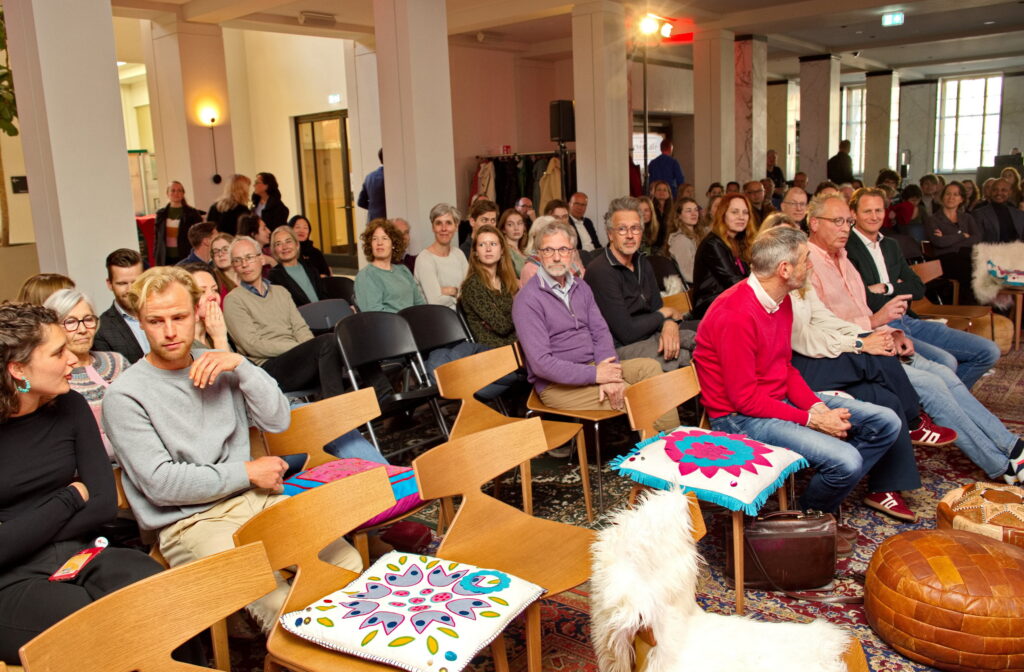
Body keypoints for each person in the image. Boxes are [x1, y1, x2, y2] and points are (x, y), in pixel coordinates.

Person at [102, 267, 361, 634]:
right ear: (141, 324)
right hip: (191, 522)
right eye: (156, 321)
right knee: (277, 598)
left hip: (254, 499)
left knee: (343, 559)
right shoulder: (125, 395)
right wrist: (247, 472)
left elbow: (277, 420)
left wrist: (241, 366)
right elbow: (161, 484)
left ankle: (355, 649)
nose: (171, 331)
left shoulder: (218, 363)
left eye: (178, 317)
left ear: (197, 313)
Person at [694, 225, 905, 533]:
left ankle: (811, 508)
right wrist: (811, 419)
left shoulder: (783, 299)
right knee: (846, 462)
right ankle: (805, 520)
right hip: (737, 417)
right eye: (806, 259)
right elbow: (745, 400)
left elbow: (785, 367)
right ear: (784, 269)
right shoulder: (735, 313)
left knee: (887, 422)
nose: (811, 265)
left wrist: (816, 407)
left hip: (774, 402)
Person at [0, 302, 177, 664]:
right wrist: (68, 498)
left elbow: (101, 505)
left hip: (79, 553)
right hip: (9, 580)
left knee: (155, 589)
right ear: (19, 370)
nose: (72, 359)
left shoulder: (70, 406)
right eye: (58, 352)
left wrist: (23, 530)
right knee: (92, 620)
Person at [809, 191, 1024, 485]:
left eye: (847, 221)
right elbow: (823, 327)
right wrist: (876, 323)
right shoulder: (809, 265)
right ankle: (1000, 464)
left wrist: (891, 331)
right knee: (933, 384)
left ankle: (1010, 444)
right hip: (851, 355)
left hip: (880, 339)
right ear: (813, 223)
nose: (845, 228)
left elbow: (874, 303)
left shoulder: (843, 258)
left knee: (944, 373)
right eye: (838, 221)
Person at [512, 219, 678, 433]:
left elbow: (600, 332)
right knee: (639, 397)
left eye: (563, 249)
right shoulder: (528, 300)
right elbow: (542, 364)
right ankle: (662, 457)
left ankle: (674, 445)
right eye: (548, 250)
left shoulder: (580, 286)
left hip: (595, 366)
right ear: (539, 254)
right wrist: (597, 376)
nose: (556, 256)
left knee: (651, 368)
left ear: (572, 252)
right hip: (557, 385)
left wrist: (608, 371)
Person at [843, 188, 1000, 389]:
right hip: (882, 326)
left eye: (879, 210)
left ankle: (942, 404)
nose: (874, 217)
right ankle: (941, 406)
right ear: (854, 214)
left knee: (988, 351)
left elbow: (917, 288)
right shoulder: (846, 247)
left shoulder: (890, 245)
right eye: (867, 211)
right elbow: (864, 300)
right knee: (946, 362)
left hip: (909, 319)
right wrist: (897, 290)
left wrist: (887, 287)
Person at [222, 237, 347, 399]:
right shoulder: (234, 300)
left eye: (249, 258)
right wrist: (300, 348)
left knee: (346, 338)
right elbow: (252, 345)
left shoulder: (281, 291)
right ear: (234, 267)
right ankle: (339, 413)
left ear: (261, 258)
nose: (244, 264)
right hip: (268, 368)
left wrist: (307, 348)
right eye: (238, 261)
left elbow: (300, 329)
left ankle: (377, 395)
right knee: (328, 343)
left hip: (297, 360)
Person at [585, 197, 697, 372]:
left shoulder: (642, 262)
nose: (630, 235)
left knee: (705, 340)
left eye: (635, 228)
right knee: (685, 357)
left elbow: (656, 307)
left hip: (650, 332)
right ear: (610, 234)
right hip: (620, 347)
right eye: (622, 229)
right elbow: (627, 332)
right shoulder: (600, 271)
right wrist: (663, 315)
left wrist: (668, 324)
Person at [42, 289, 130, 460]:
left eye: (88, 319)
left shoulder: (117, 362)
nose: (83, 329)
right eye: (71, 322)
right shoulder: (53, 378)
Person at [690, 193, 756, 319]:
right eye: (735, 212)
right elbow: (734, 282)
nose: (741, 217)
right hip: (710, 306)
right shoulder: (713, 243)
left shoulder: (739, 242)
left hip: (731, 302)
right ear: (723, 215)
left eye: (745, 212)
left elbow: (748, 277)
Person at [459, 224, 519, 348]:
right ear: (475, 252)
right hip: (491, 352)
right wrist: (516, 315)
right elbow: (502, 326)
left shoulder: (505, 281)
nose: (488, 249)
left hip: (515, 345)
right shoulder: (473, 285)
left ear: (502, 250)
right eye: (482, 245)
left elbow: (517, 319)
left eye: (493, 244)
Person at [927, 181, 982, 303]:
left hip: (966, 256)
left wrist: (949, 238)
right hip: (944, 259)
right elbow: (939, 242)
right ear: (942, 197)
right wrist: (962, 235)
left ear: (961, 199)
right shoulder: (933, 219)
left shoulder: (967, 218)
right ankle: (970, 309)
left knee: (981, 270)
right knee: (970, 272)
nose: (951, 197)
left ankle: (976, 309)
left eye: (956, 194)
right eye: (948, 194)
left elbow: (977, 238)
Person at [354, 219, 425, 313]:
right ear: (370, 245)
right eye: (374, 239)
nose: (379, 243)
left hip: (412, 323)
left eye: (384, 238)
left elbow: (419, 303)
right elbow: (375, 314)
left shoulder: (403, 270)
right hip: (389, 326)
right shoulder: (366, 276)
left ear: (393, 244)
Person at [92, 248, 148, 364]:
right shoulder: (101, 330)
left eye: (136, 282)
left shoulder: (164, 313)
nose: (130, 290)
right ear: (110, 284)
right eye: (122, 283)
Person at [418, 203, 469, 309]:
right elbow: (435, 302)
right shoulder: (424, 258)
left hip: (462, 316)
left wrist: (450, 291)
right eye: (438, 223)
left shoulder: (459, 254)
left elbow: (470, 290)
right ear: (433, 227)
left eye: (449, 223)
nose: (444, 228)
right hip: (438, 319)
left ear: (456, 226)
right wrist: (457, 292)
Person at [179, 263, 231, 351]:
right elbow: (228, 365)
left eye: (215, 290)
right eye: (202, 291)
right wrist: (220, 339)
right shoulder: (182, 345)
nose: (213, 296)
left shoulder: (215, 332)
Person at [268, 226, 323, 308]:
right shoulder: (274, 276)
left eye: (288, 241)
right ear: (274, 250)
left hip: (323, 313)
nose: (284, 247)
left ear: (297, 245)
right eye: (278, 244)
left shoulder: (310, 266)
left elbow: (323, 295)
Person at [153, 181, 205, 265]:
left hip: (185, 256)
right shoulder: (160, 214)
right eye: (173, 190)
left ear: (183, 193)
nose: (176, 193)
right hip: (165, 257)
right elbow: (157, 238)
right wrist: (156, 254)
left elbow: (199, 236)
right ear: (167, 193)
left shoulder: (192, 213)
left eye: (179, 190)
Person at [665, 197, 703, 285]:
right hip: (692, 288)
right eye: (688, 211)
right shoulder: (681, 240)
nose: (694, 214)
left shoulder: (697, 235)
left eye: (696, 210)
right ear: (679, 215)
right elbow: (689, 276)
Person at [973, 178, 1024, 243]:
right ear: (991, 192)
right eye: (995, 190)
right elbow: (977, 241)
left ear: (1010, 192)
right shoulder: (979, 214)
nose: (999, 193)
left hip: (1017, 251)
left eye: (1003, 190)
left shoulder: (1019, 214)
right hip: (990, 251)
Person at [357, 149, 386, 221]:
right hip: (387, 223)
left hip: (372, 221)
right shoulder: (390, 177)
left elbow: (361, 202)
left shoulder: (369, 177)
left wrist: (374, 209)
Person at [209, 232, 239, 301]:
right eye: (216, 251)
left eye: (225, 249)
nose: (220, 254)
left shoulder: (246, 275)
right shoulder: (214, 281)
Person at [499, 208, 528, 275]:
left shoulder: (524, 251)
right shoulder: (504, 251)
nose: (516, 228)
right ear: (503, 229)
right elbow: (509, 279)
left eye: (519, 223)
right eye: (510, 224)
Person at [648, 181, 673, 248]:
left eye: (665, 190)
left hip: (669, 245)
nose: (662, 192)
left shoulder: (673, 210)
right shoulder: (650, 209)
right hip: (653, 245)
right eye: (659, 190)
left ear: (669, 193)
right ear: (654, 193)